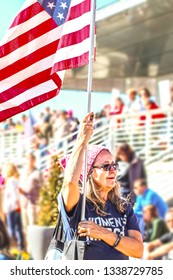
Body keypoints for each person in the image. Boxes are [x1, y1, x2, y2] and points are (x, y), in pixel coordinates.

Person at [58, 112, 143, 260]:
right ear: (89, 172)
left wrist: (102, 233)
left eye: (114, 165)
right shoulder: (79, 204)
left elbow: (138, 250)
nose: (113, 170)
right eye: (105, 166)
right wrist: (82, 140)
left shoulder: (123, 207)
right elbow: (70, 182)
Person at [19, 153, 44, 237]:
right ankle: (28, 247)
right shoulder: (22, 173)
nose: (29, 161)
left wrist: (40, 205)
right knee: (25, 227)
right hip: (23, 203)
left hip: (33, 203)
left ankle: (32, 247)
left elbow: (42, 189)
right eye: (28, 159)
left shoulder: (38, 173)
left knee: (32, 225)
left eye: (31, 159)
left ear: (34, 161)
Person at [3, 163, 24, 251]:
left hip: (11, 208)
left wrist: (17, 204)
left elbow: (14, 194)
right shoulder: (16, 180)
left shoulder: (11, 181)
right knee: (18, 228)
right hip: (16, 207)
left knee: (11, 229)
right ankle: (20, 246)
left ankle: (14, 246)